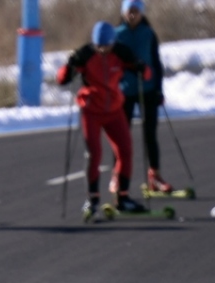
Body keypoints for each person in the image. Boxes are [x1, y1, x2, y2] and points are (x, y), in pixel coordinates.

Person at [57, 21, 149, 215]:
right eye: (99, 45)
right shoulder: (85, 55)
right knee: (94, 154)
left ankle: (123, 198)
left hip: (114, 111)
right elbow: (62, 80)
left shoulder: (121, 53)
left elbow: (146, 74)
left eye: (106, 45)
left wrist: (141, 67)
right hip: (92, 111)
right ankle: (92, 200)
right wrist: (70, 65)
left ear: (112, 42)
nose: (103, 49)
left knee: (125, 151)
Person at [116, 0, 173, 194]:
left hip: (147, 89)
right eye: (129, 11)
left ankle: (154, 176)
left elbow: (156, 63)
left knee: (150, 134)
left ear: (141, 13)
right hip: (124, 91)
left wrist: (158, 89)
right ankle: (118, 177)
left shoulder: (149, 34)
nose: (132, 15)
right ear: (123, 13)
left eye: (136, 11)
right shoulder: (116, 35)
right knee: (121, 137)